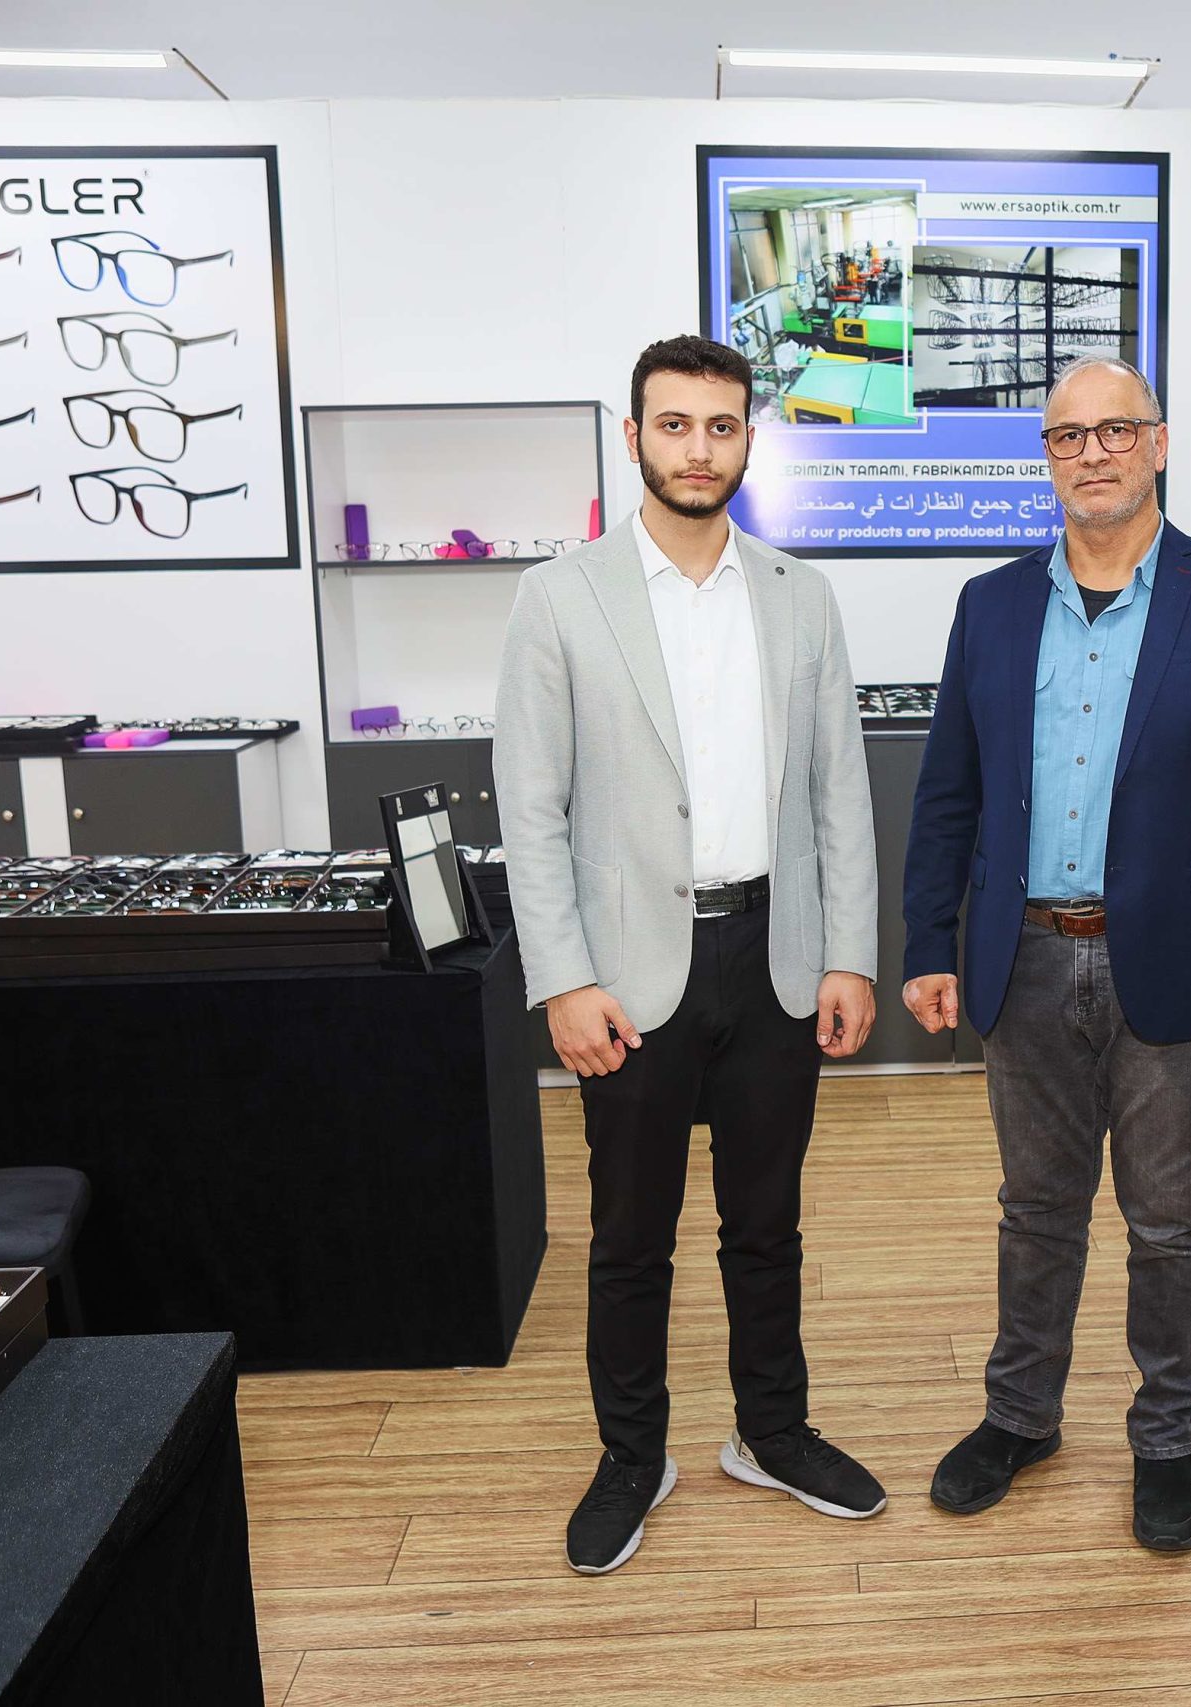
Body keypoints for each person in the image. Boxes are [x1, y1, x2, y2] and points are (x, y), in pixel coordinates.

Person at [899, 357, 1191, 1551]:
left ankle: (1166, 1438)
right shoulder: (990, 605)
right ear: (1045, 457)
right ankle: (1019, 1417)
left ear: (1158, 443)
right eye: (1067, 435)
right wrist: (927, 941)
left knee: (1170, 1223)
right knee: (1035, 1210)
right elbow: (947, 793)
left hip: (1182, 961)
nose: (1091, 452)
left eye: (1115, 430)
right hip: (1023, 956)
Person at [492, 333, 885, 1577]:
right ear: (634, 438)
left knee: (767, 1226)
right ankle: (632, 1457)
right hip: (626, 975)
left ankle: (772, 1433)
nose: (698, 449)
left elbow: (838, 793)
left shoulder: (800, 595)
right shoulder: (561, 597)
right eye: (674, 425)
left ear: (748, 438)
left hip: (776, 958)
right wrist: (563, 979)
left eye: (720, 426)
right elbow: (531, 809)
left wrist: (849, 954)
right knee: (629, 1240)